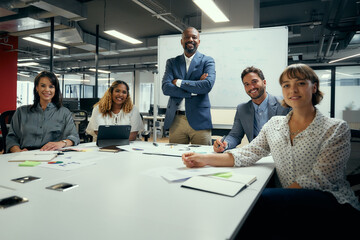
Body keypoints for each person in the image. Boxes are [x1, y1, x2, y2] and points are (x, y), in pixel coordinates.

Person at [183, 64, 360, 238]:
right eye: (286, 85)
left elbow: (320, 178)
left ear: (314, 87)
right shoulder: (275, 124)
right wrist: (203, 158)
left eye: (300, 83)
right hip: (288, 199)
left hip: (329, 199)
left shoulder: (335, 128)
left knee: (253, 204)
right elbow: (247, 153)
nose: (293, 90)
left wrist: (278, 196)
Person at [213, 66, 290, 152]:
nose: (251, 87)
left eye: (254, 82)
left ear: (264, 82)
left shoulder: (284, 104)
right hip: (255, 156)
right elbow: (235, 136)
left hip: (280, 154)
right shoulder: (242, 109)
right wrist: (225, 144)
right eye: (247, 84)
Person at [162, 27, 216, 145]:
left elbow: (207, 86)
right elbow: (166, 88)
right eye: (186, 37)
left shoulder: (207, 61)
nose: (190, 40)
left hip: (200, 120)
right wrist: (195, 88)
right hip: (176, 120)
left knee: (203, 159)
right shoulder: (172, 62)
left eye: (194, 37)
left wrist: (178, 82)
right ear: (181, 41)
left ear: (199, 41)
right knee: (175, 158)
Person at [6, 71, 80, 153]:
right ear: (37, 88)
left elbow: (74, 137)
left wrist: (61, 143)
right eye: (43, 86)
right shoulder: (21, 112)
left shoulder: (64, 112)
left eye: (51, 86)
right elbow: (11, 138)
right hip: (25, 155)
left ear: (55, 90)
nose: (47, 90)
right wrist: (17, 151)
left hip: (51, 155)